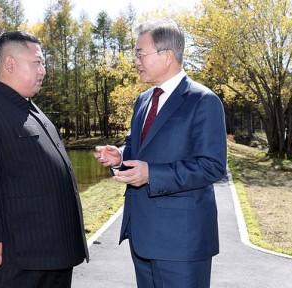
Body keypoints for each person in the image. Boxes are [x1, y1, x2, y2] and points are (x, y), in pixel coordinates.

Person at [94, 20, 227, 288]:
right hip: (143, 238)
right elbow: (137, 149)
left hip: (182, 244)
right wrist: (120, 157)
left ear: (166, 56)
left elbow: (212, 166)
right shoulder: (143, 100)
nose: (136, 61)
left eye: (140, 53)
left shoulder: (203, 101)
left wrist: (152, 174)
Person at [0, 31, 88, 288]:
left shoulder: (34, 110)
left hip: (54, 254)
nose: (43, 70)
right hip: (17, 258)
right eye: (37, 62)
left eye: (44, 63)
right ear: (10, 63)